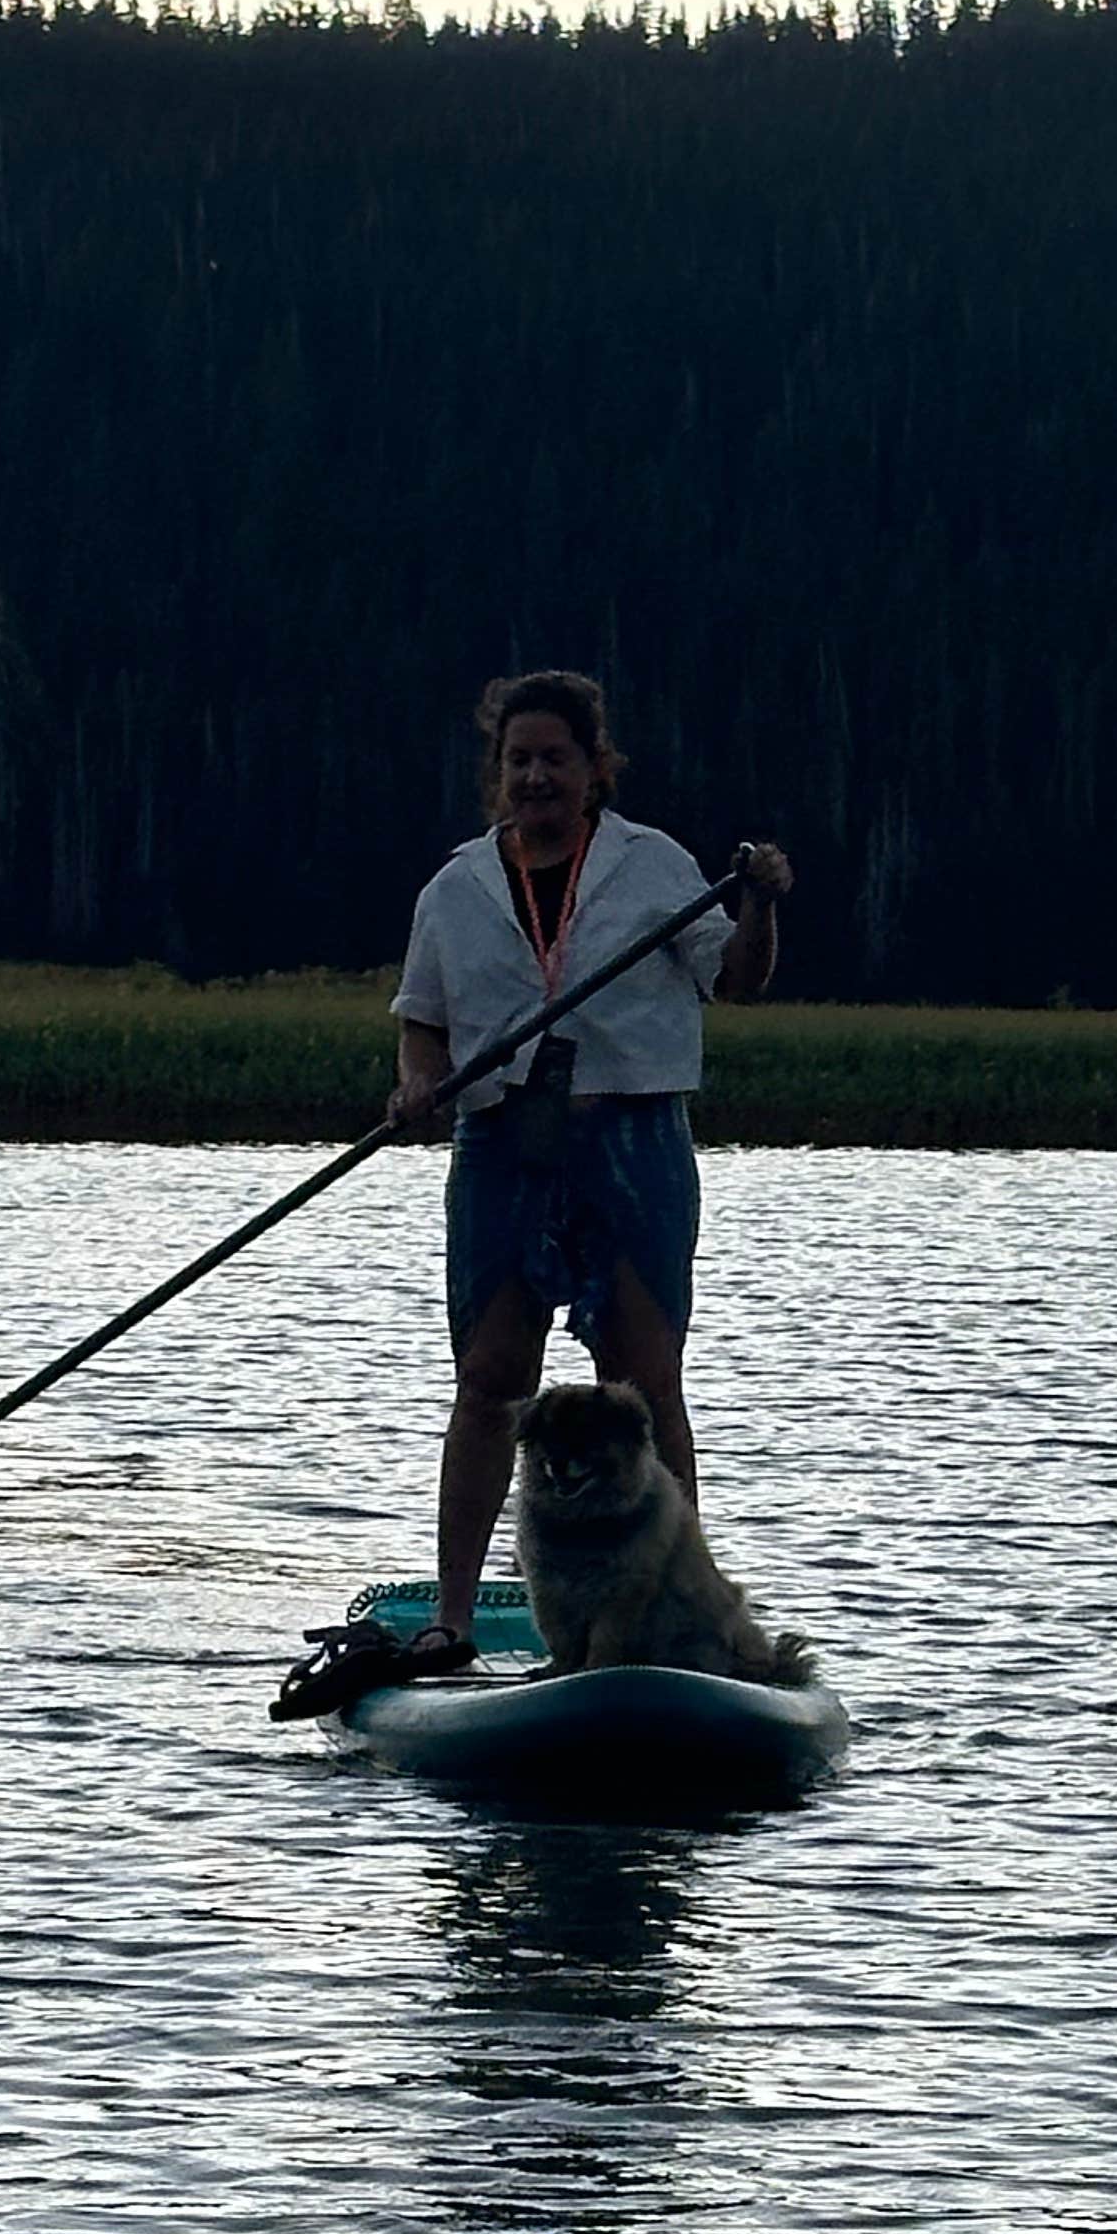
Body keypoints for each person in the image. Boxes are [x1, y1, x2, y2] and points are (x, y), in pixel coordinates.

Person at [386, 669, 791, 1671]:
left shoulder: (656, 868)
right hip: (504, 1146)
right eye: (519, 761)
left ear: (593, 769)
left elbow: (737, 978)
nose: (536, 778)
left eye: (555, 760)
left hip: (633, 1141)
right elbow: (422, 1025)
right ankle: (453, 1619)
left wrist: (761, 905)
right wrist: (419, 1089)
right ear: (498, 772)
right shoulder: (457, 887)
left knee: (644, 1384)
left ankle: (684, 1619)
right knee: (490, 1381)